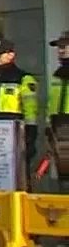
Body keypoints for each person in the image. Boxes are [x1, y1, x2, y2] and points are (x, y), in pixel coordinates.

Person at [0, 38, 40, 189]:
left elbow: (30, 110)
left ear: (11, 55)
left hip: (13, 134)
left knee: (18, 178)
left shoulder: (23, 79)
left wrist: (30, 136)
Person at [48, 31, 69, 186]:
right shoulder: (57, 74)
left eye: (65, 46)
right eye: (59, 47)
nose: (60, 50)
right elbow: (52, 102)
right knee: (63, 169)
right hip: (59, 125)